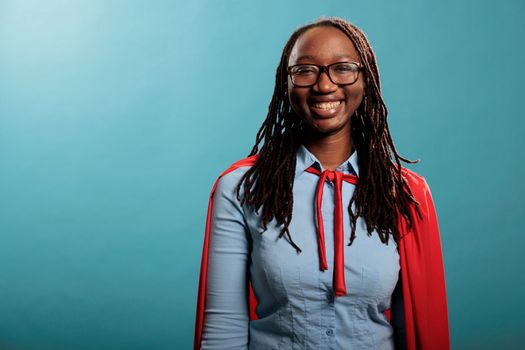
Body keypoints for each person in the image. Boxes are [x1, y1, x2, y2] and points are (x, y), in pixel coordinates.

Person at [194, 16, 449, 350]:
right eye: (305, 70)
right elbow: (223, 330)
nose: (324, 86)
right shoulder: (241, 188)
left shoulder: (403, 193)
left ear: (366, 79)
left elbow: (417, 330)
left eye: (343, 68)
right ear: (285, 83)